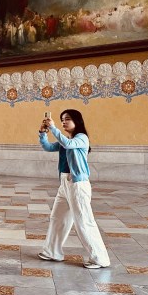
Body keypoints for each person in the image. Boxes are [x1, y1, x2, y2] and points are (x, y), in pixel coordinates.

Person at [37, 110, 110, 269]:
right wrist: (43, 132)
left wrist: (54, 128)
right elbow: (48, 147)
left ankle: (100, 258)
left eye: (67, 119)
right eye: (62, 120)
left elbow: (68, 144)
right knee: (57, 218)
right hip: (64, 184)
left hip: (78, 185)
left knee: (83, 221)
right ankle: (52, 252)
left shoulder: (81, 138)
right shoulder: (66, 140)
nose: (64, 122)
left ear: (77, 121)